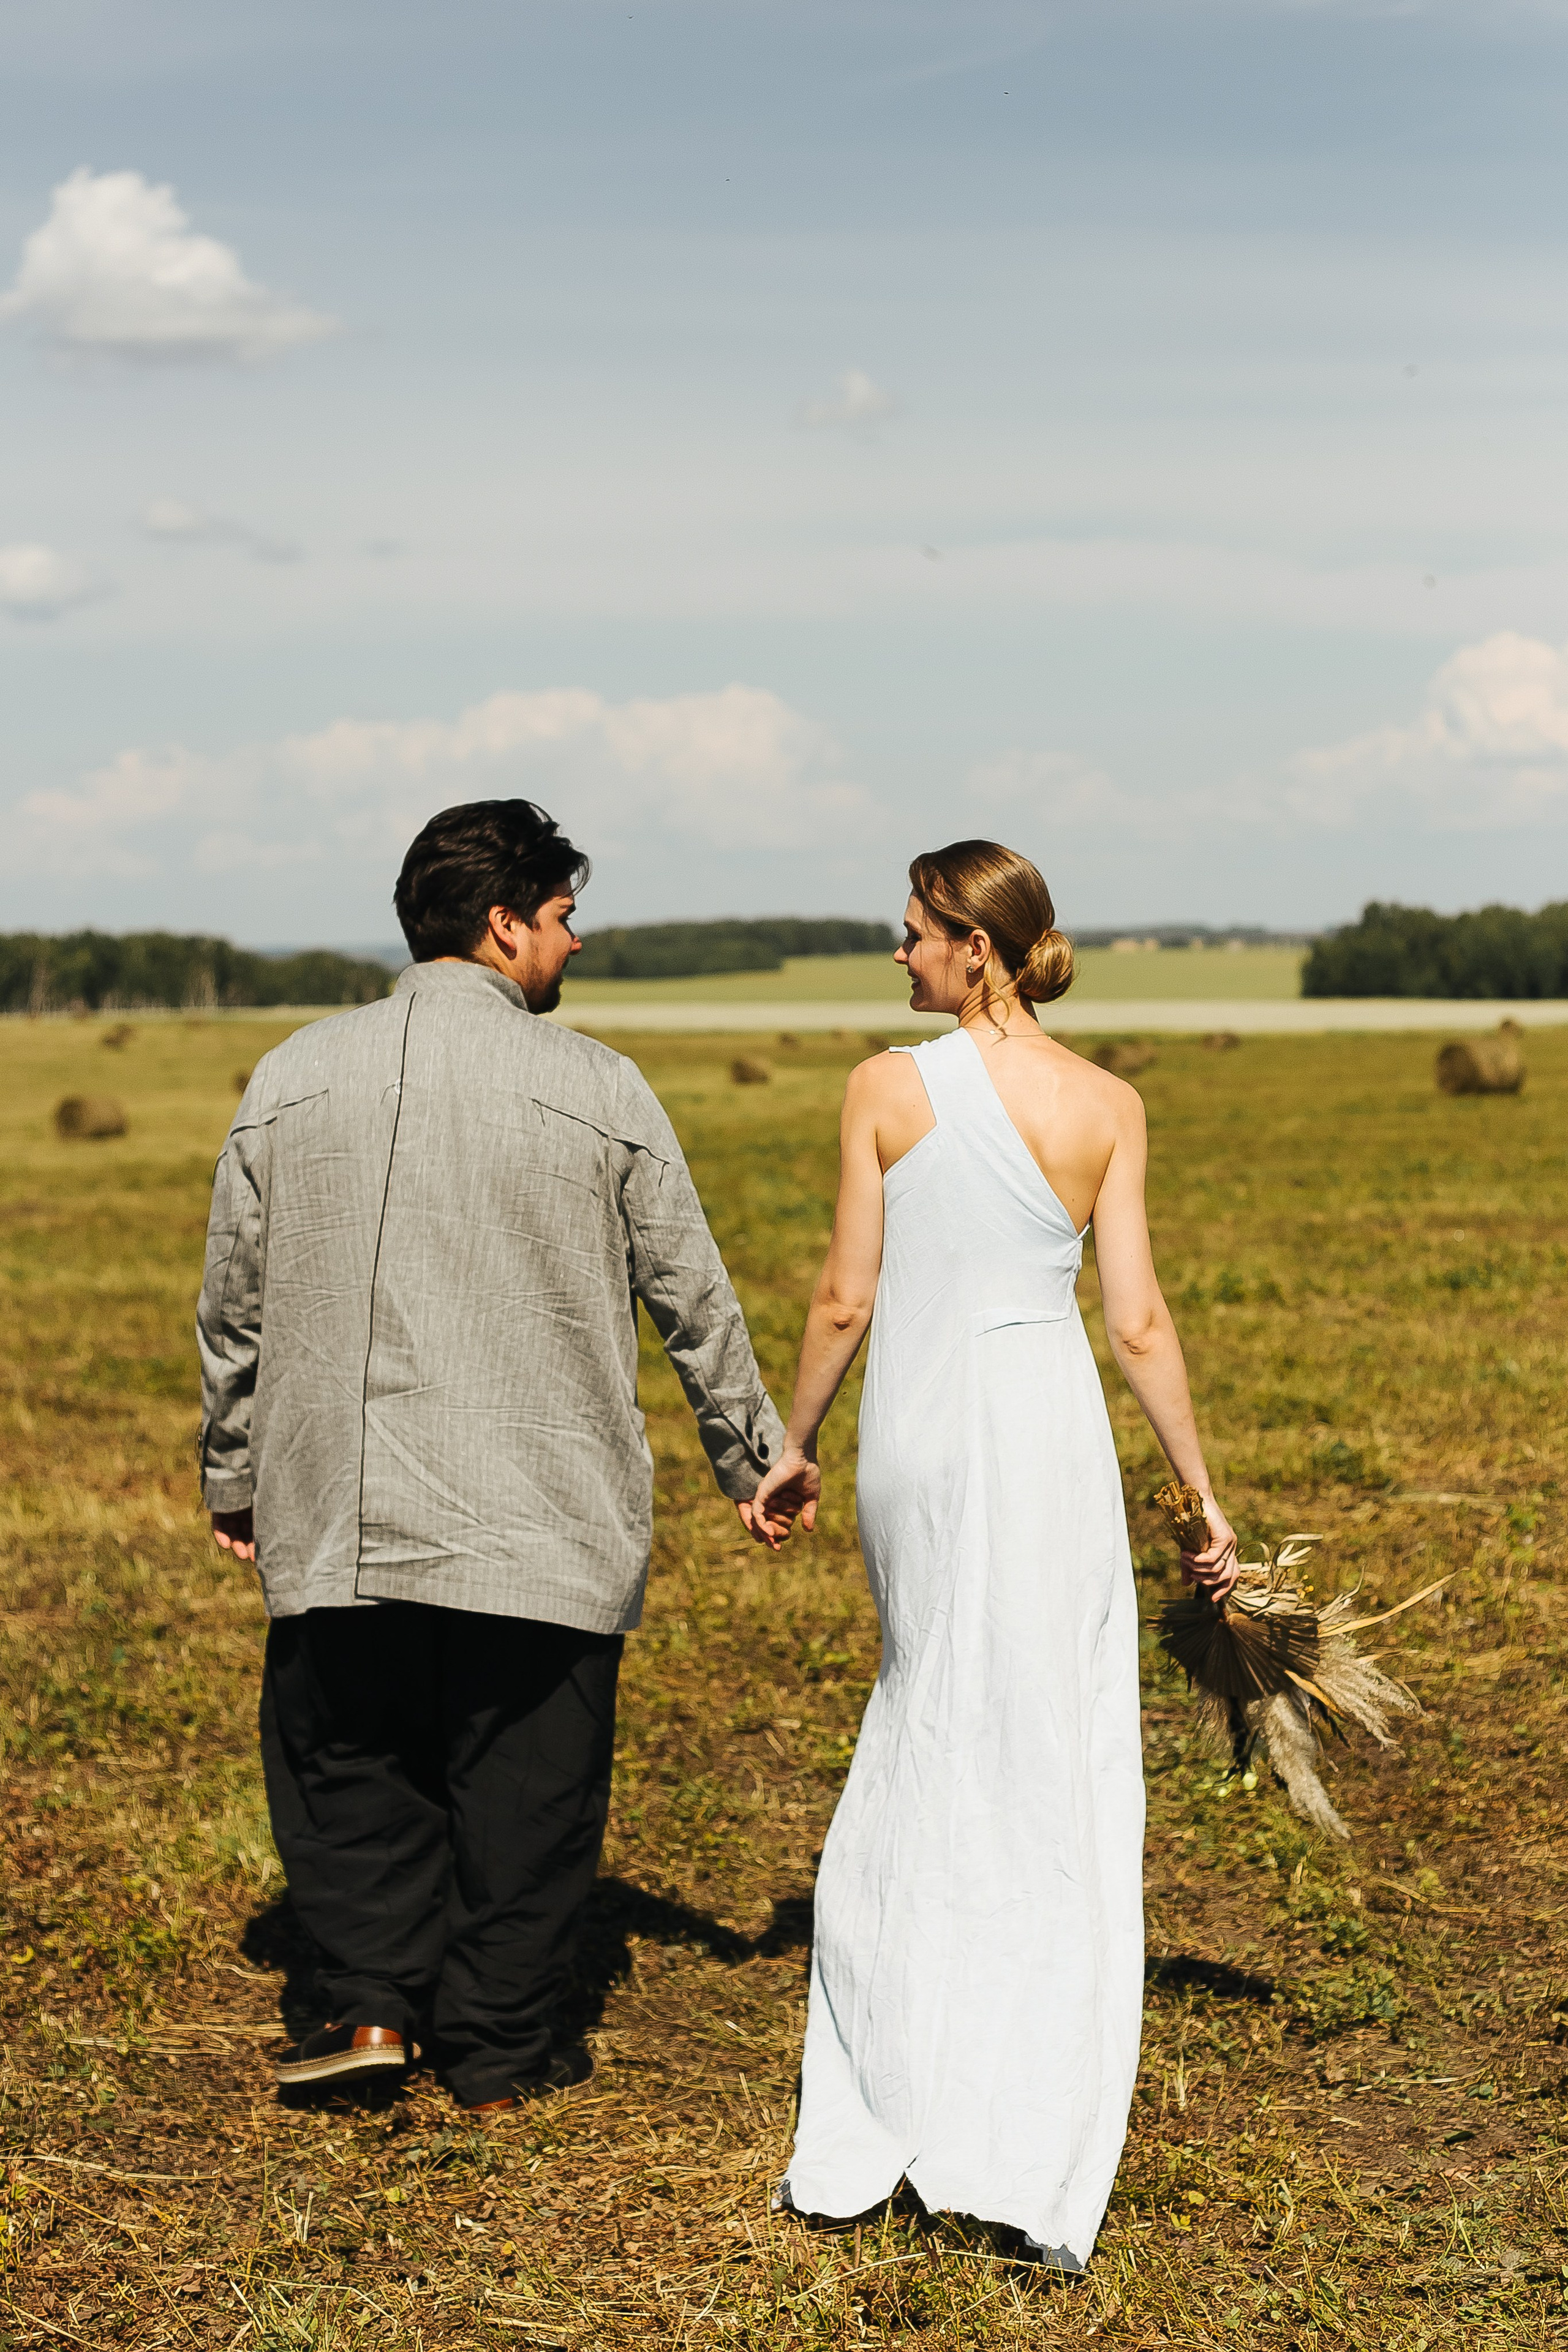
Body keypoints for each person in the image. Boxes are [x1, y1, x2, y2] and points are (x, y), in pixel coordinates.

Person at [197, 799, 785, 2110]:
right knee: (526, 1789)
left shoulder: (290, 1074)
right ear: (505, 920)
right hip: (539, 1513)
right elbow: (687, 1290)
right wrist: (751, 1458)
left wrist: (235, 1472)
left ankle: (368, 2010)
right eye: (565, 918)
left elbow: (232, 1300)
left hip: (338, 1509)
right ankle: (503, 2047)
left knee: (349, 1766)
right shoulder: (600, 1087)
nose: (575, 945)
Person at [746, 839, 1238, 2268]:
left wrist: (793, 1443)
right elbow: (1134, 1323)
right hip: (1045, 1433)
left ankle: (899, 2062)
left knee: (926, 1710)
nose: (894, 956)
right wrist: (1196, 1489)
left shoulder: (884, 1091)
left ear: (974, 947)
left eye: (909, 935)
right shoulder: (1106, 1105)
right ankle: (1019, 2081)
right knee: (1045, 1733)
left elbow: (847, 1294)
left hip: (920, 1431)